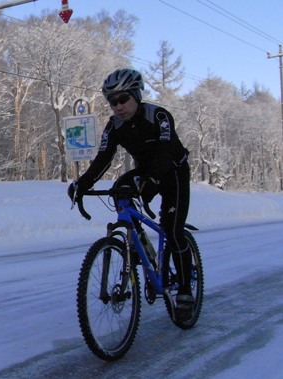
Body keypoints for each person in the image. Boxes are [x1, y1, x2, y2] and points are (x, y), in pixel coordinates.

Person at [68, 68, 193, 321]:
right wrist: (82, 183)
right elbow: (103, 158)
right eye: (112, 101)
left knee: (172, 229)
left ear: (136, 95)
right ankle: (135, 245)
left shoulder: (158, 116)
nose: (118, 106)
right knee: (120, 190)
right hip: (146, 170)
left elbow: (166, 152)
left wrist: (153, 180)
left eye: (123, 99)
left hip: (173, 170)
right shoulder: (114, 125)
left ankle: (185, 291)